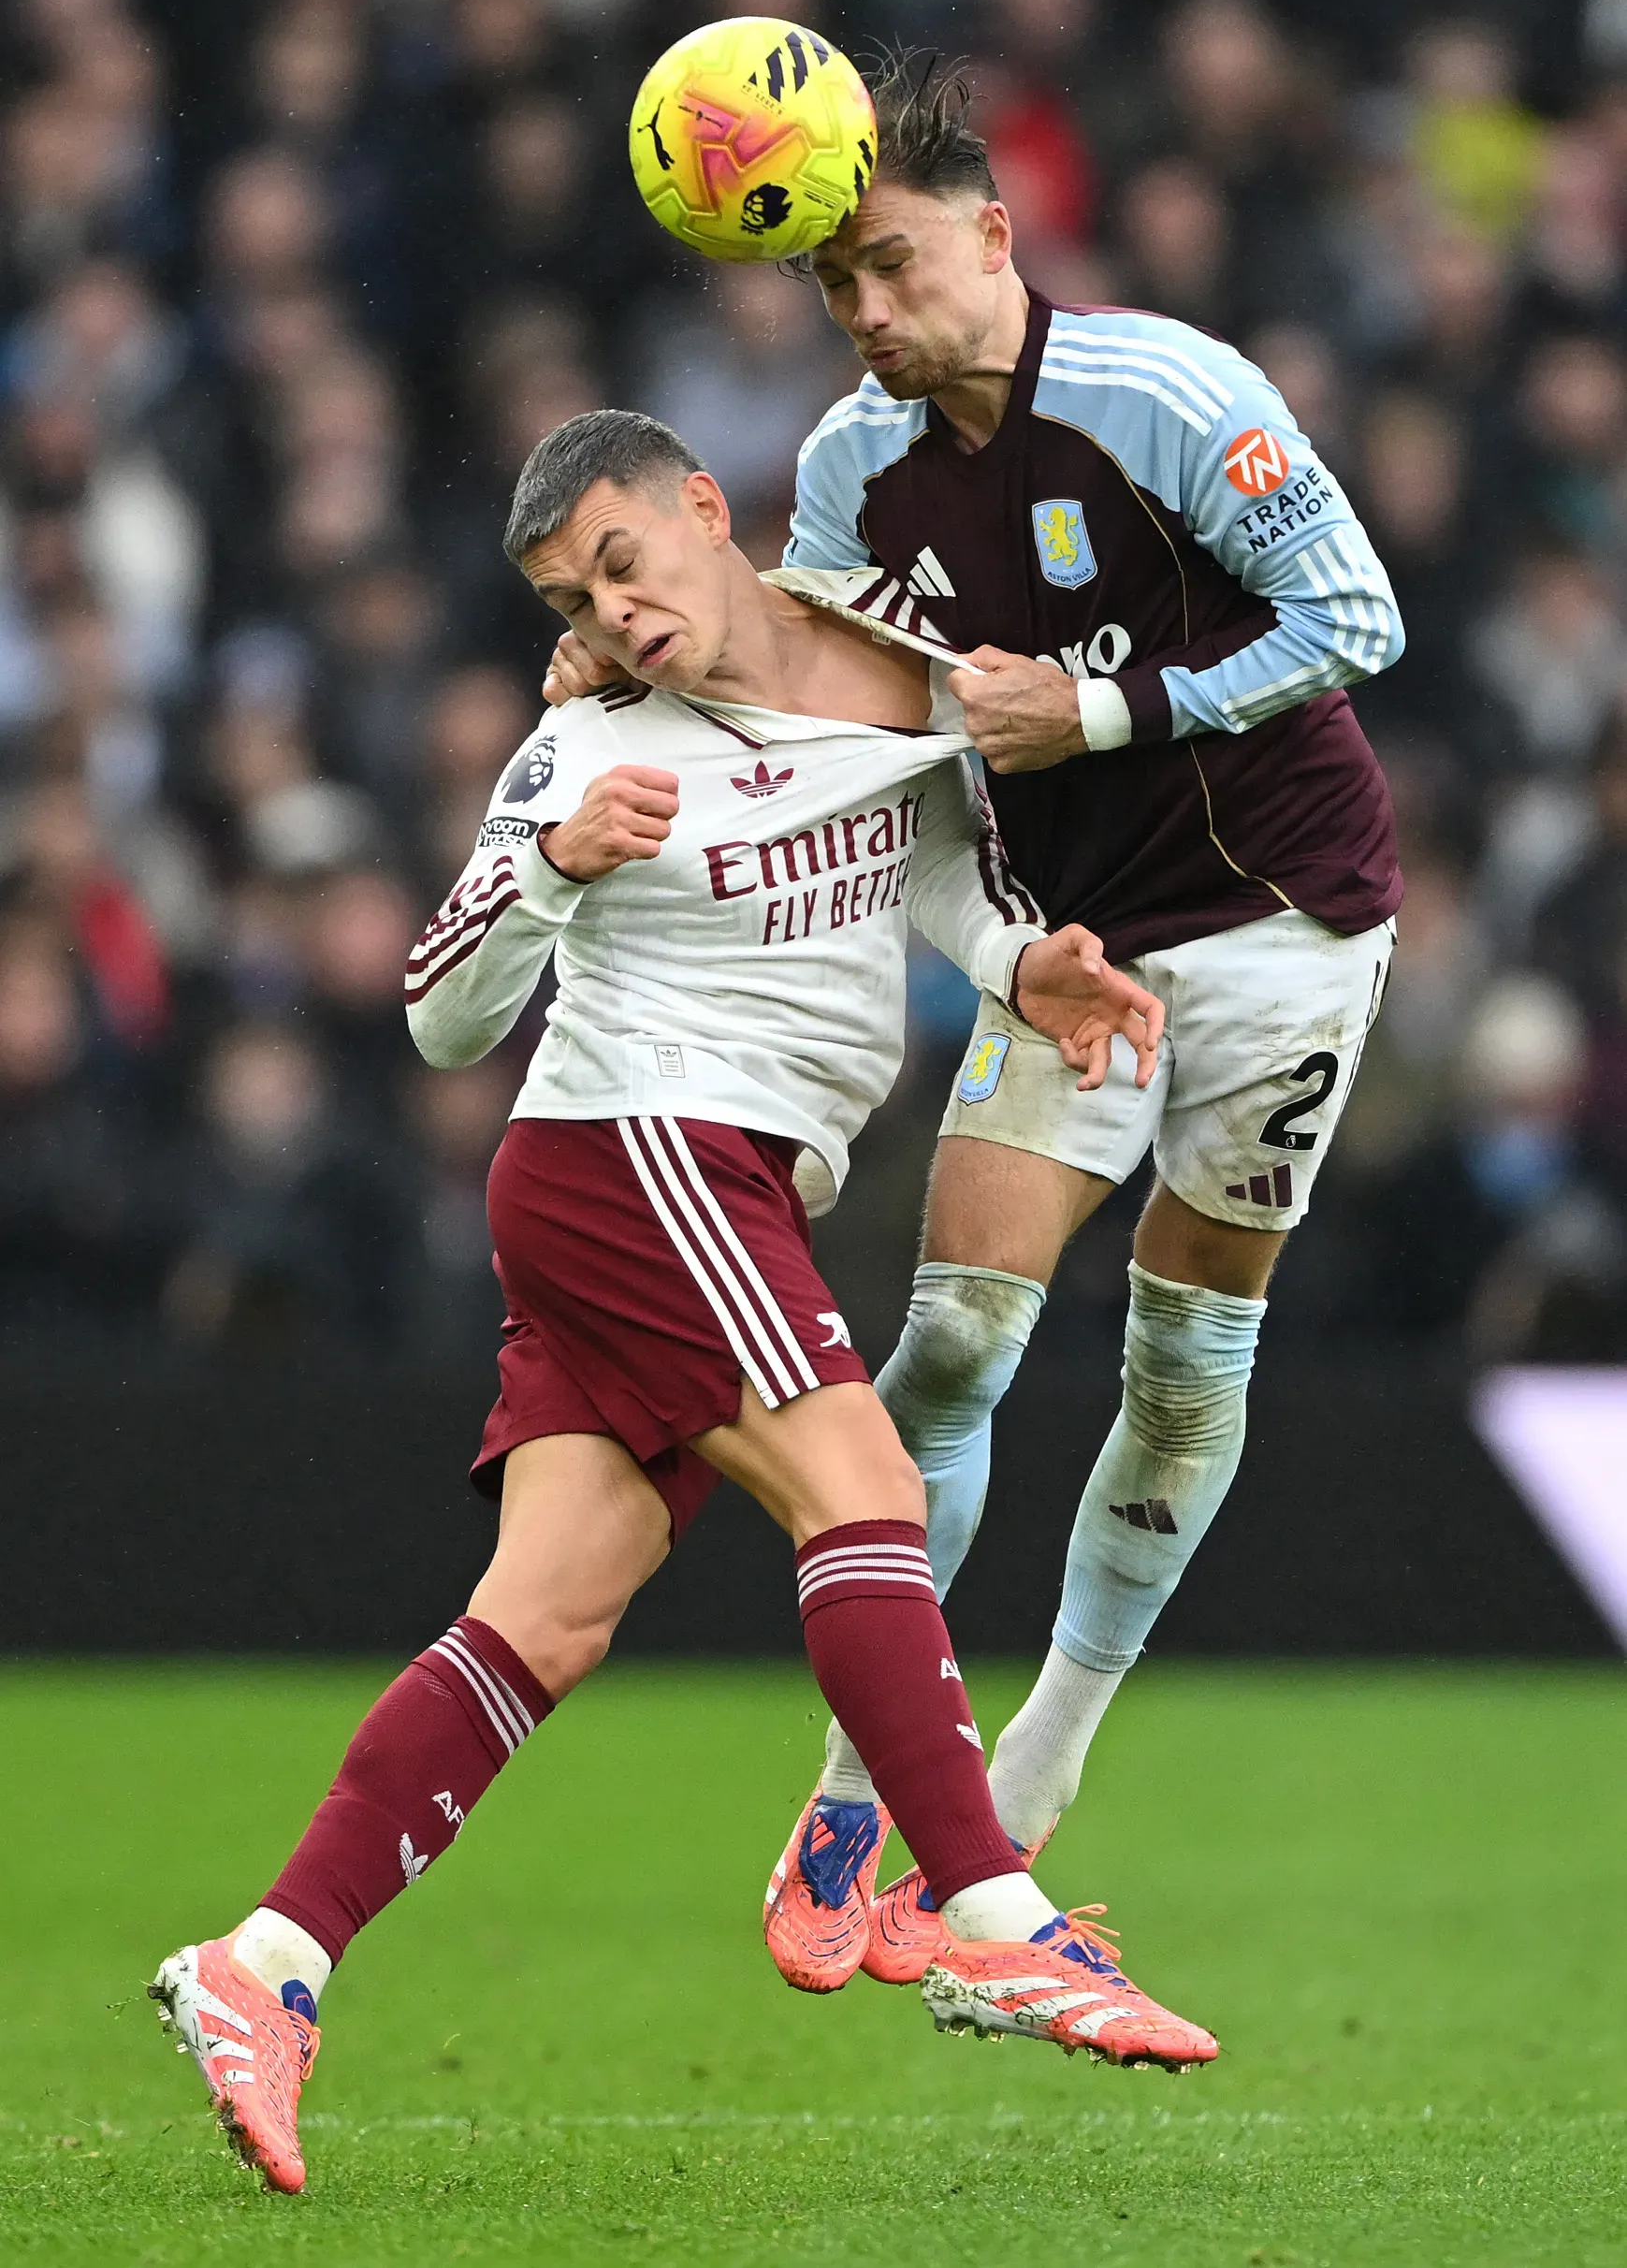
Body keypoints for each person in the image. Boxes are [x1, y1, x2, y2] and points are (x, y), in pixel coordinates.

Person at [148, 411, 1212, 2201]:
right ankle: (988, 1907)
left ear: (706, 511)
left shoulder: (896, 655)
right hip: (639, 1155)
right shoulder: (580, 741)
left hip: (699, 1182)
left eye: (626, 565)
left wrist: (1021, 959)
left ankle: (263, 1964)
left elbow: (934, 855)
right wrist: (554, 862)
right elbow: (433, 1012)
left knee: (543, 1619)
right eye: (577, 595)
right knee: (863, 1488)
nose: (617, 613)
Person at [546, 55, 1405, 1990]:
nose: (864, 313)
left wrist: (1097, 716)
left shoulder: (1170, 395)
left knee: (1182, 1368)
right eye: (833, 285)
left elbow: (1353, 617)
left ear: (992, 237)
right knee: (946, 1344)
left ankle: (1037, 1768)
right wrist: (621, 665)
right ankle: (872, 1791)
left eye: (895, 266)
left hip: (1282, 924)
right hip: (1068, 942)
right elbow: (802, 683)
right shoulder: (855, 470)